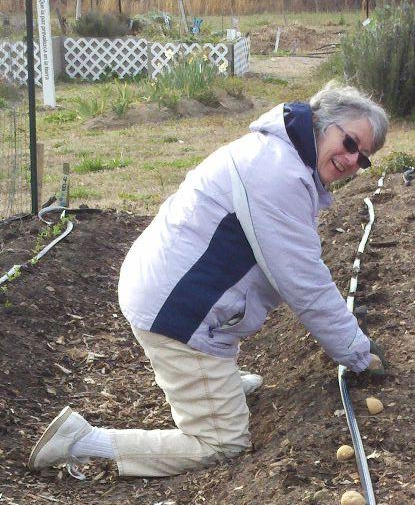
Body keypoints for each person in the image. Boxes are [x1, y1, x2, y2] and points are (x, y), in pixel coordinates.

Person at [29, 83, 389, 479]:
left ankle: (220, 386)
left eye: (364, 158)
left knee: (223, 382)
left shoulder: (279, 152)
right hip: (179, 312)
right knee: (222, 443)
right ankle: (81, 441)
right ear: (322, 123)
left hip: (165, 285)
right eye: (351, 142)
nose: (352, 159)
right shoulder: (278, 174)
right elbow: (304, 281)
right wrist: (357, 352)